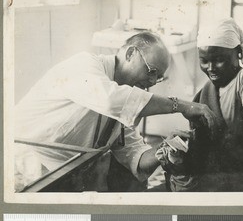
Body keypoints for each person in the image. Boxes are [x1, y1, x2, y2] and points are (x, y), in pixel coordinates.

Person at [14, 31, 217, 192]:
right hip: (26, 165)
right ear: (130, 54)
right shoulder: (84, 65)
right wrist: (181, 105)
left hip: (65, 173)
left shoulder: (125, 105)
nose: (153, 82)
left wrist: (164, 148)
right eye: (151, 71)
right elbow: (110, 100)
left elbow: (136, 158)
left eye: (159, 77)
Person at [157, 18, 243, 192]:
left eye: (219, 59)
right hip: (220, 177)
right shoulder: (203, 95)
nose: (211, 67)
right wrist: (181, 152)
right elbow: (202, 151)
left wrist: (207, 144)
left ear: (238, 52)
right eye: (204, 60)